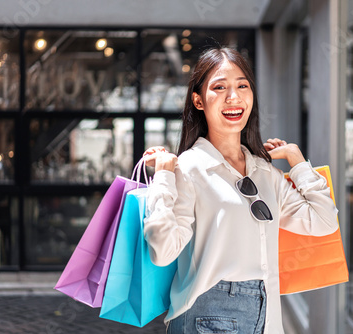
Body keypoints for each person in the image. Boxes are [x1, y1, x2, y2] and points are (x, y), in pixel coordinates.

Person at [142, 46, 339, 334]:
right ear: (198, 100)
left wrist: (297, 162)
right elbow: (162, 251)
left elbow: (324, 221)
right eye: (219, 87)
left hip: (267, 316)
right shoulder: (189, 168)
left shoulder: (264, 172)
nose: (233, 97)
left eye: (242, 86)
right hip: (207, 315)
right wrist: (163, 176)